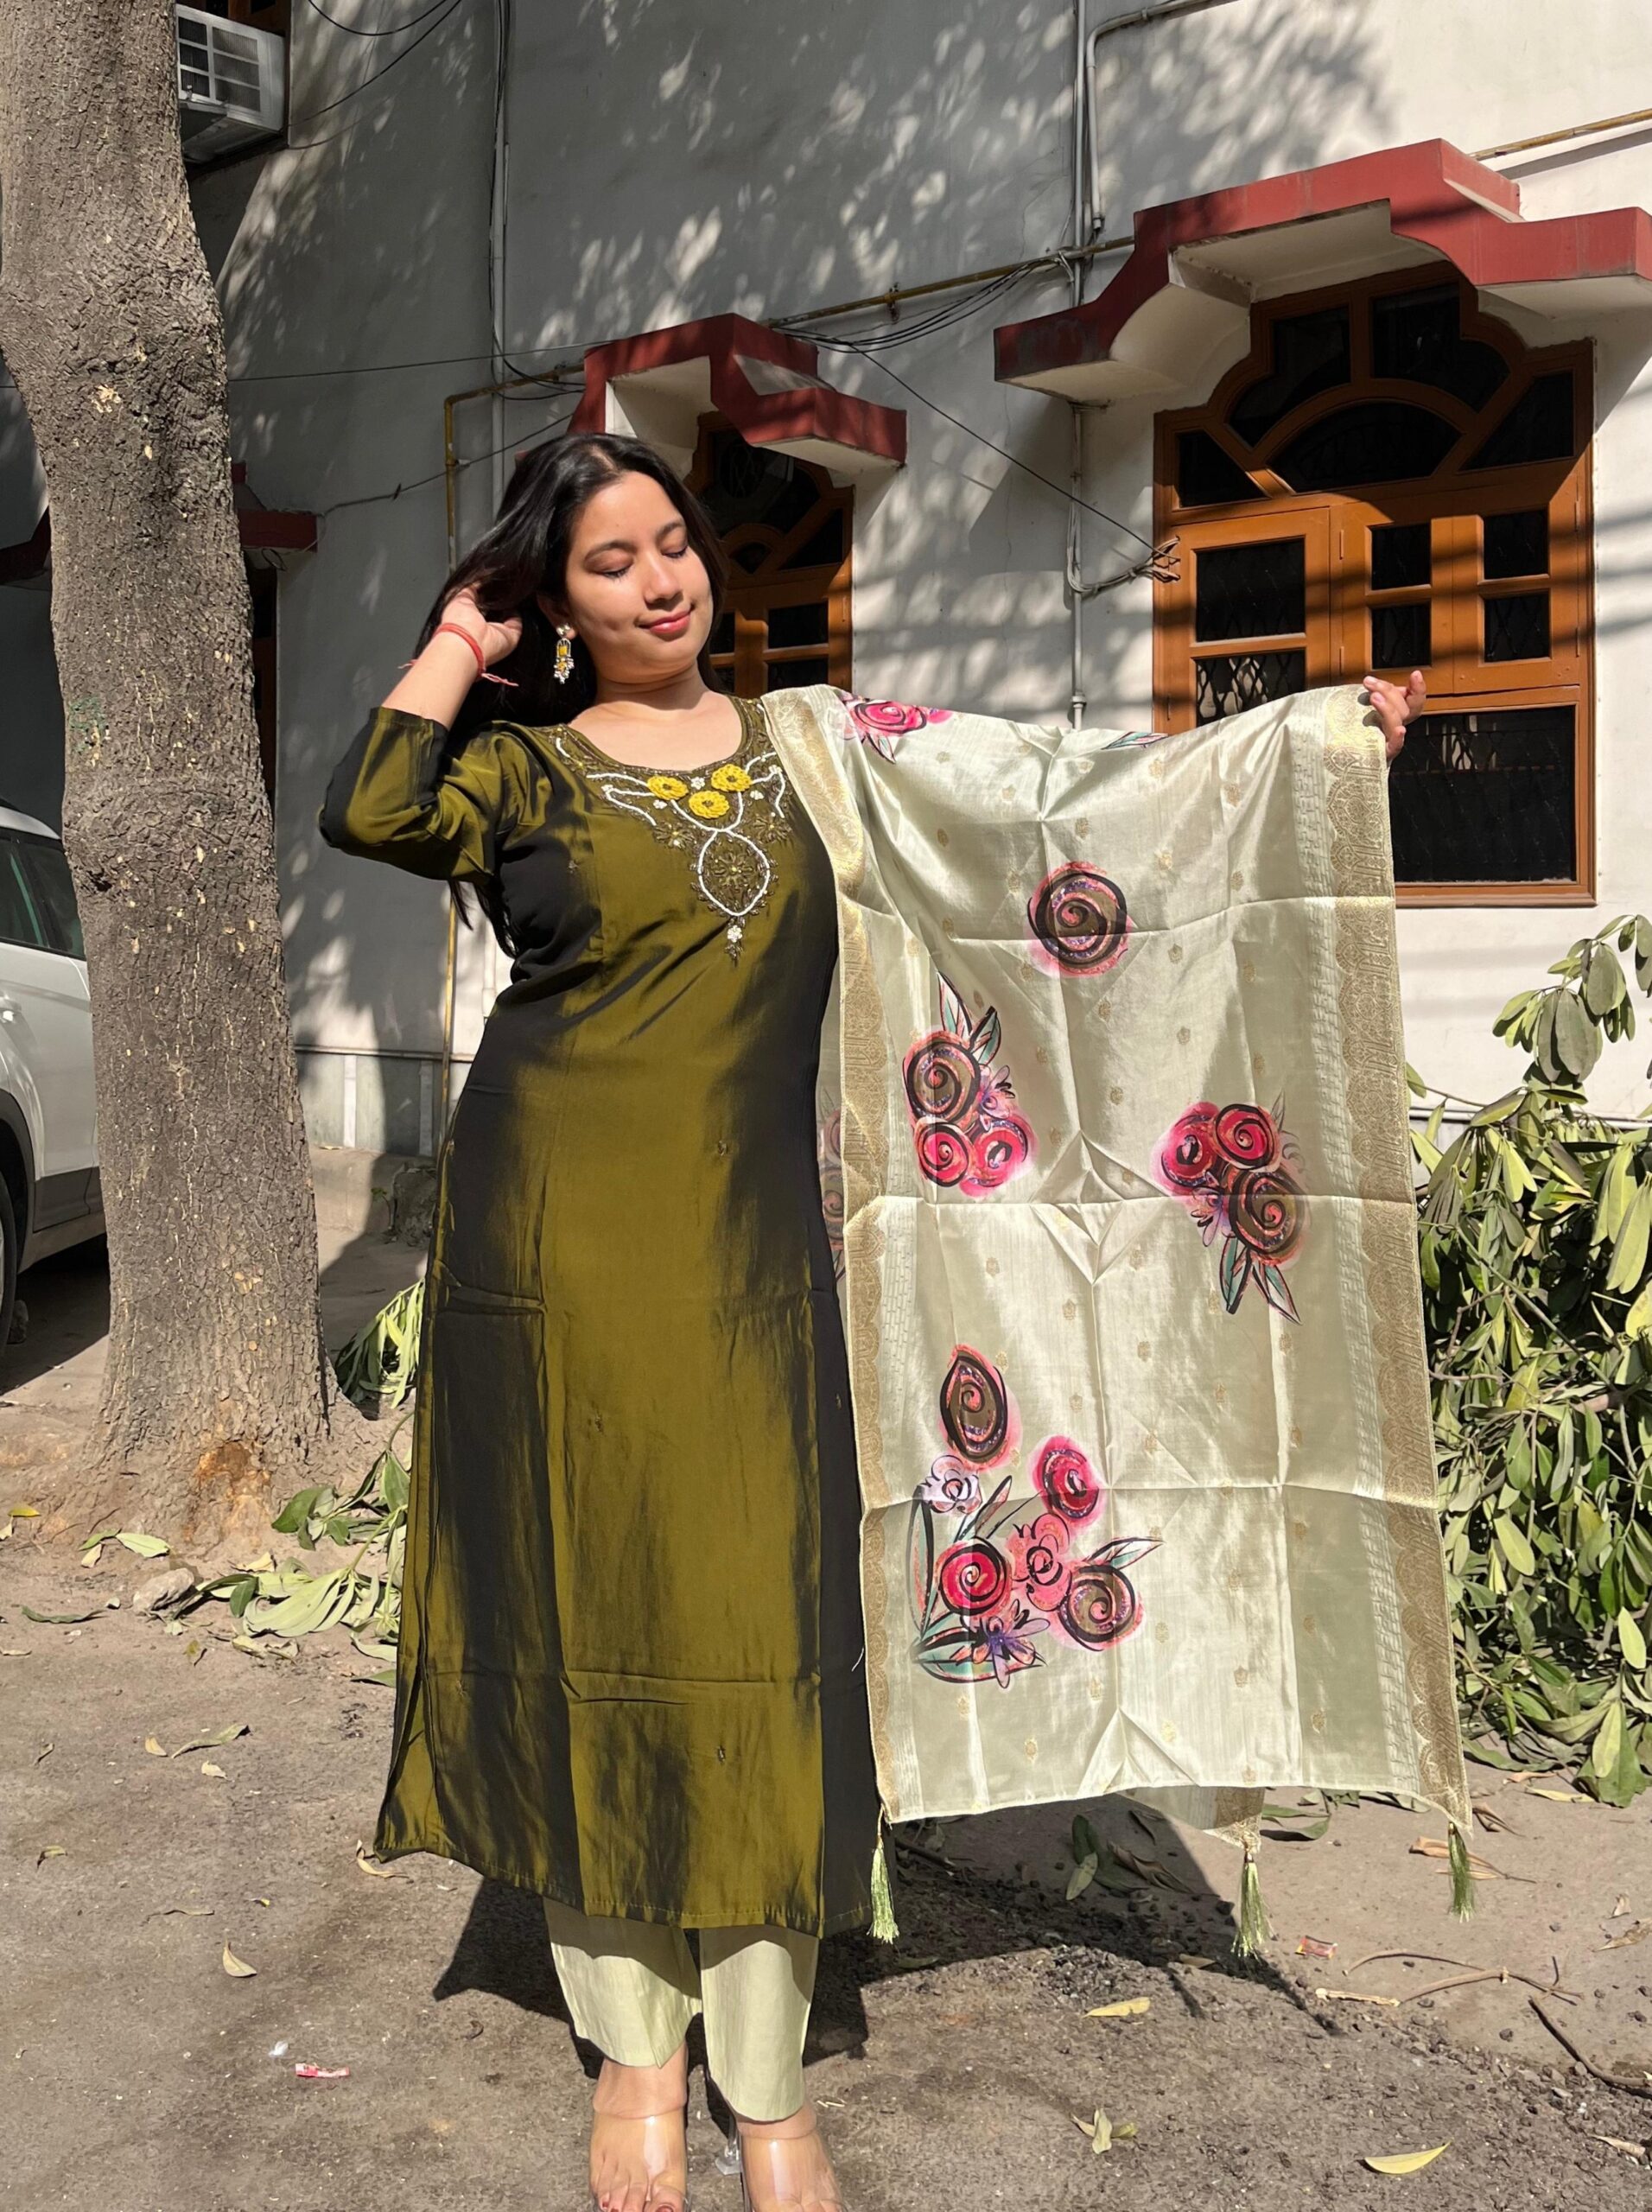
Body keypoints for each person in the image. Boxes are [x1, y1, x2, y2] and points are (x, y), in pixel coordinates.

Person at [318, 428, 1424, 2212]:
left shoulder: (823, 755)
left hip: (755, 1248)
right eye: (609, 562)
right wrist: (460, 634)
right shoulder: (522, 769)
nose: (661, 580)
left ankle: (764, 2076)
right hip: (549, 1243)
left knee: (759, 1625)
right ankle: (635, 2051)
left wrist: (1300, 741)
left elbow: (1060, 801)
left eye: (673, 542)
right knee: (588, 1599)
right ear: (556, 601)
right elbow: (370, 806)